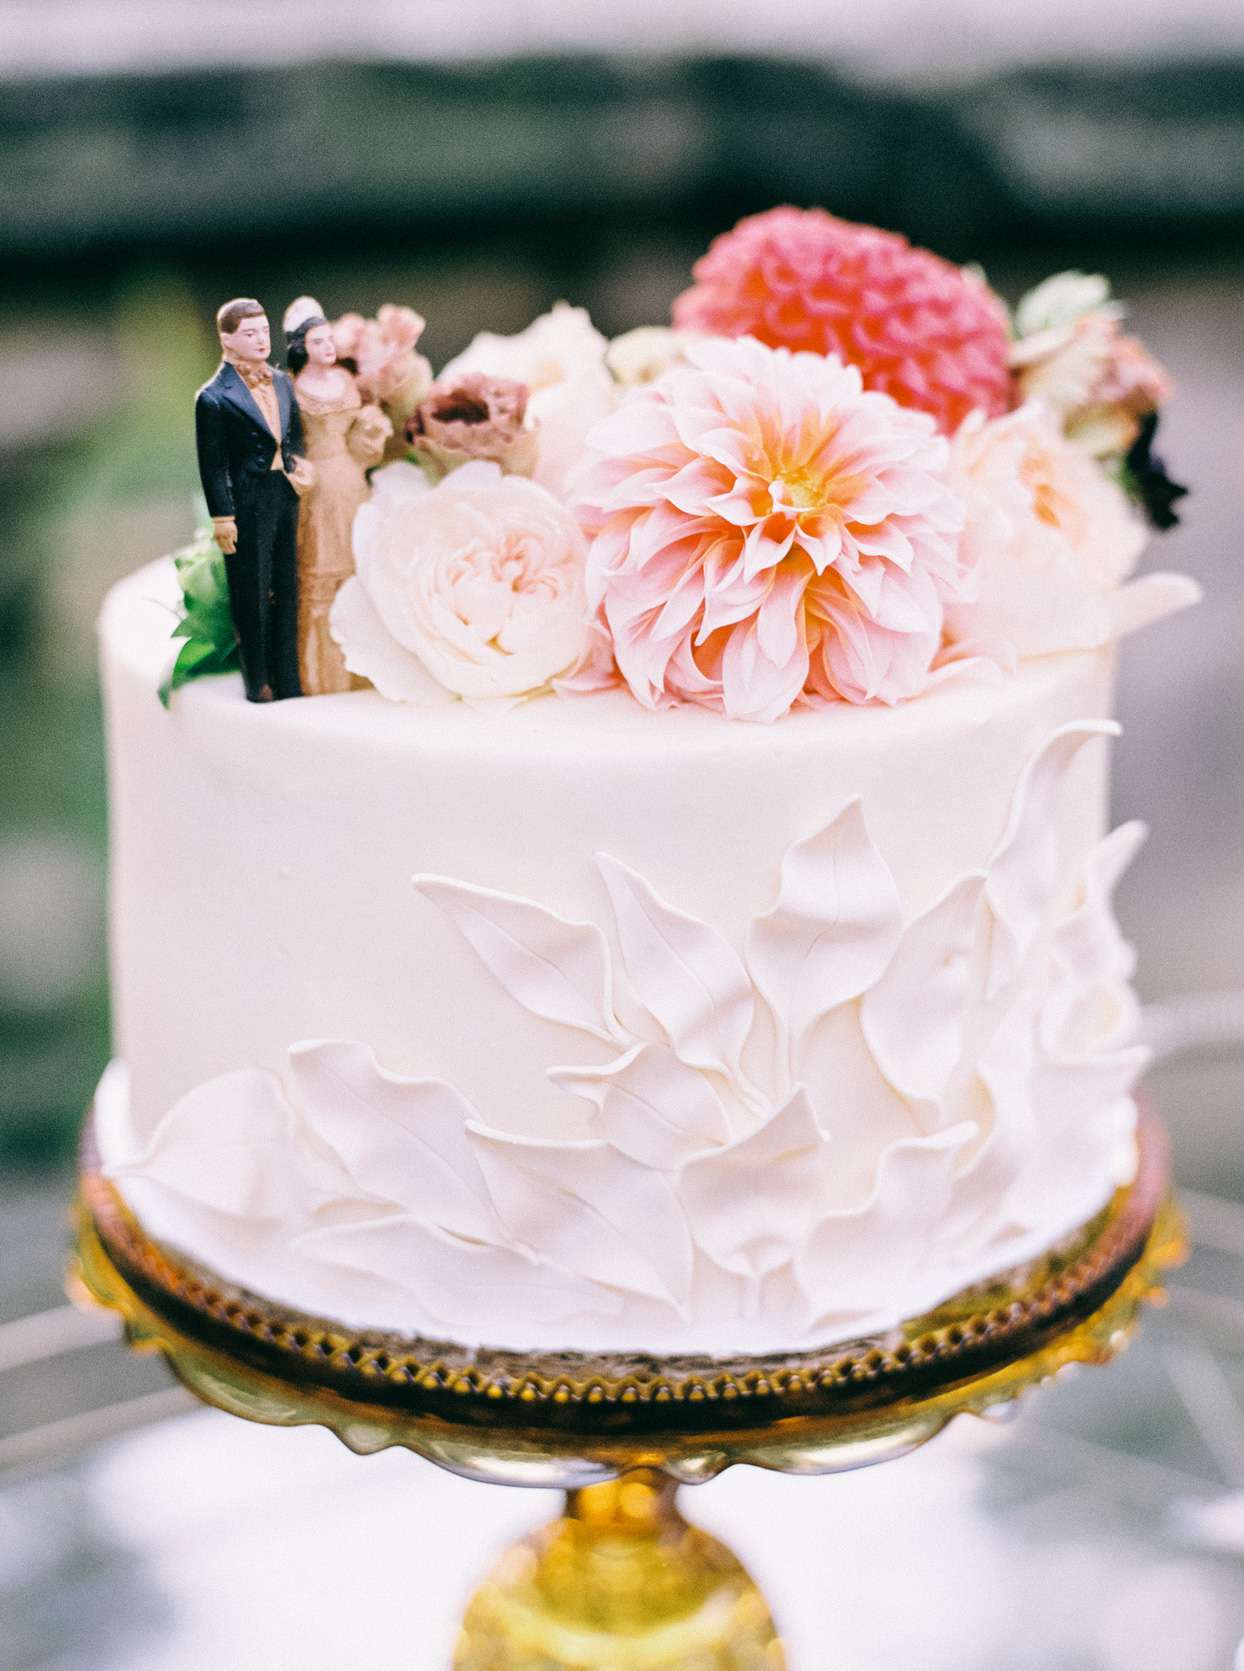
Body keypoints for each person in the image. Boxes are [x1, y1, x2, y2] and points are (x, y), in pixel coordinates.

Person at [194, 299, 313, 702]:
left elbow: (294, 435)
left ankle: (288, 676)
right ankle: (258, 680)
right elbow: (213, 464)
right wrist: (222, 516)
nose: (261, 340)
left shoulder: (280, 382)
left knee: (288, 584)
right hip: (246, 499)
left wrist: (300, 468)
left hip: (285, 492)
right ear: (227, 339)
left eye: (264, 331)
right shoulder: (212, 398)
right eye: (250, 334)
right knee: (251, 590)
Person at [284, 298, 392, 695]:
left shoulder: (346, 384)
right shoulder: (292, 393)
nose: (328, 348)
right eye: (317, 342)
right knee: (324, 582)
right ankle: (325, 678)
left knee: (359, 571)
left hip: (353, 483)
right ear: (301, 347)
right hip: (320, 491)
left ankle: (368, 673)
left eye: (330, 340)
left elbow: (360, 440)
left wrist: (370, 428)